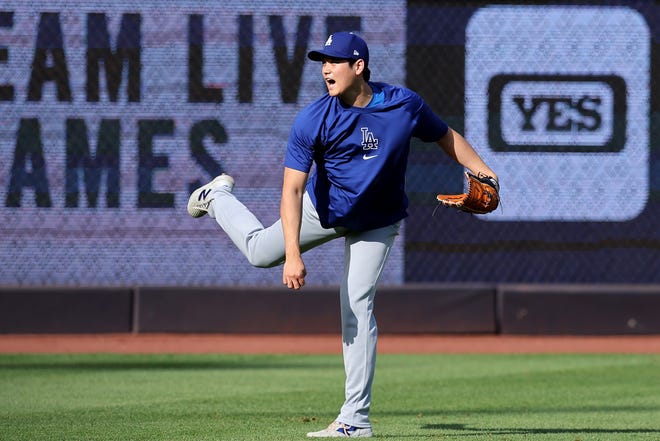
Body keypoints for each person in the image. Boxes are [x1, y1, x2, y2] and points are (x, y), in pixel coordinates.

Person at [187, 31, 498, 438]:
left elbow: (444, 134)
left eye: (334, 61)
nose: (325, 69)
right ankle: (216, 196)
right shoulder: (314, 119)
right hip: (323, 210)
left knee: (356, 304)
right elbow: (292, 190)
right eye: (322, 61)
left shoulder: (404, 105)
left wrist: (482, 172)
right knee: (261, 253)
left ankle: (355, 421)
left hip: (377, 221)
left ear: (359, 67)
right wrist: (295, 254)